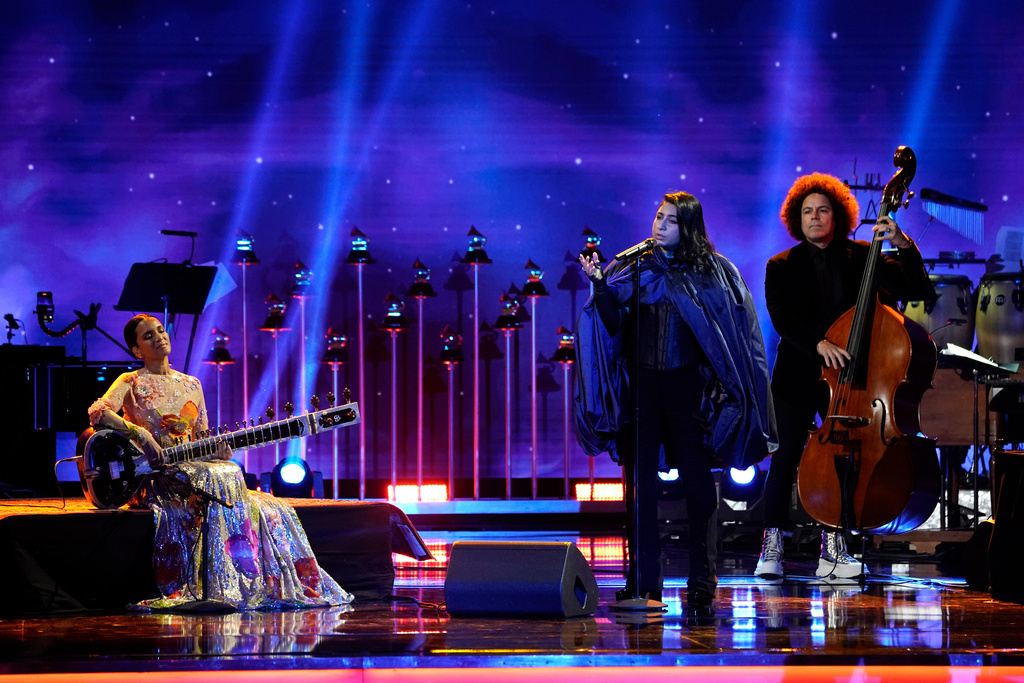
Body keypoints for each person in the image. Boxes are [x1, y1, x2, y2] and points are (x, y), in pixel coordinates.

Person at [575, 191, 777, 608]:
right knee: (641, 488)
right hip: (643, 395)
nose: (659, 225)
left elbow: (728, 337)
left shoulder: (712, 274)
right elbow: (614, 329)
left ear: (688, 226)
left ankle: (702, 578)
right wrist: (599, 286)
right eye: (658, 216)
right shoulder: (634, 269)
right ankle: (643, 580)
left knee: (700, 489)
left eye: (670, 220)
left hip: (688, 395)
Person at [88, 313, 353, 610]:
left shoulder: (191, 384)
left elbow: (200, 438)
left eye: (160, 331)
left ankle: (236, 582)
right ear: (137, 350)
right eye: (148, 336)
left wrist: (217, 452)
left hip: (187, 465)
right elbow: (98, 413)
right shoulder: (131, 381)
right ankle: (215, 582)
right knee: (219, 478)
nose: (159, 337)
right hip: (149, 473)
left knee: (241, 481)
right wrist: (142, 436)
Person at [756, 173, 935, 581]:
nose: (815, 218)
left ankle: (833, 545)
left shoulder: (864, 257)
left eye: (822, 210)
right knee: (784, 460)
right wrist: (818, 343)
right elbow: (782, 318)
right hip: (799, 373)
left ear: (837, 215)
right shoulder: (780, 265)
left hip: (853, 378)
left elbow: (918, 287)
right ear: (795, 219)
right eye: (807, 212)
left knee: (842, 458)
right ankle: (772, 544)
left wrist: (903, 244)